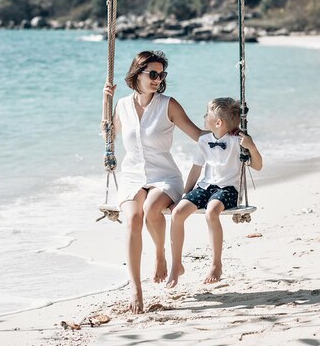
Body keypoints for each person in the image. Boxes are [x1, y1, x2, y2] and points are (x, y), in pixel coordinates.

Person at [103, 50, 202, 313]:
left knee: (151, 210)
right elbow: (108, 137)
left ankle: (160, 255)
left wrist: (230, 133)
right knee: (133, 218)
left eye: (162, 75)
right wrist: (106, 102)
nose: (158, 79)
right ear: (137, 74)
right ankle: (136, 288)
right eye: (153, 74)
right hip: (132, 175)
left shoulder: (168, 104)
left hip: (164, 177)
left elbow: (198, 135)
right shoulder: (122, 106)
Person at [166, 97, 263, 289]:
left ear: (218, 122)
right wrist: (184, 195)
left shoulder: (238, 141)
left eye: (206, 114)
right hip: (204, 186)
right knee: (177, 213)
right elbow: (195, 170)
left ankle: (216, 264)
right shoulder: (204, 140)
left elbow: (258, 166)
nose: (203, 117)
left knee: (212, 212)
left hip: (227, 189)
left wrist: (251, 146)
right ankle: (177, 264)